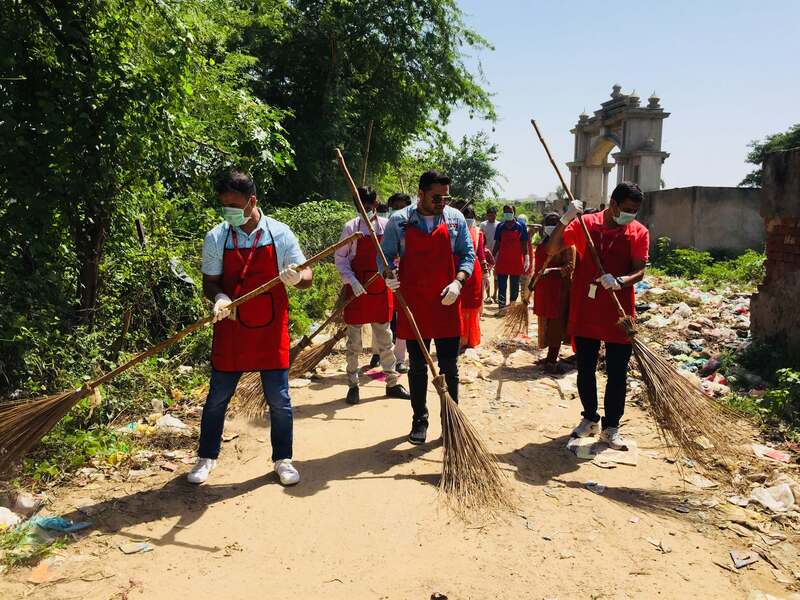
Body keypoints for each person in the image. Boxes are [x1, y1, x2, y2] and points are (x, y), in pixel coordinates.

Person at [190, 169, 311, 486]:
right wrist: (218, 297)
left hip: (271, 327)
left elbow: (307, 276)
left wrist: (297, 277)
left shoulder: (279, 234)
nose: (227, 210)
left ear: (252, 201)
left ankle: (283, 459)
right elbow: (210, 281)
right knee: (217, 397)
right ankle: (206, 457)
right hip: (231, 326)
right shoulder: (217, 236)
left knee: (280, 400)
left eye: (233, 204)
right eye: (223, 204)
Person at [546, 182, 649, 450]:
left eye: (635, 211)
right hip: (587, 308)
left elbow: (640, 270)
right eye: (627, 209)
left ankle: (611, 427)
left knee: (617, 373)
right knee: (586, 368)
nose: (631, 215)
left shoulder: (638, 232)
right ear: (613, 204)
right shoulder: (585, 224)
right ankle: (590, 418)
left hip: (619, 311)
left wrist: (621, 280)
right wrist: (566, 219)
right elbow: (552, 248)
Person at [381, 170, 475, 444]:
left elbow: (467, 255)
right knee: (418, 366)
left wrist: (458, 282)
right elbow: (385, 256)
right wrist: (388, 276)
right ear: (420, 193)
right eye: (436, 197)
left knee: (449, 366)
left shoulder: (455, 219)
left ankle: (451, 421)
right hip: (414, 303)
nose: (441, 202)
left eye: (445, 197)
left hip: (447, 301)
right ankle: (419, 420)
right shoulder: (400, 222)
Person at [334, 187, 411, 405]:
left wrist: (391, 274)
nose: (364, 211)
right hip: (357, 290)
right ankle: (353, 385)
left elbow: (395, 256)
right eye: (360, 208)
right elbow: (340, 259)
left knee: (385, 339)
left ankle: (392, 382)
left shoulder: (387, 227)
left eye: (367, 208)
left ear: (375, 205)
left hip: (380, 289)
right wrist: (352, 280)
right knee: (354, 343)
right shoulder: (351, 227)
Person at [532, 213, 576, 373]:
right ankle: (549, 355)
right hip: (544, 290)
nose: (551, 226)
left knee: (556, 324)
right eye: (548, 223)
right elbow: (537, 267)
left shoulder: (567, 244)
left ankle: (552, 358)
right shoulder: (543, 242)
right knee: (545, 322)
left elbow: (570, 266)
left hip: (560, 290)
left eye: (554, 223)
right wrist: (532, 284)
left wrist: (552, 271)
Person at [386, 192, 413, 370]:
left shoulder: (412, 226)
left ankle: (400, 359)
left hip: (407, 279)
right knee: (384, 320)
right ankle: (379, 355)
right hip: (386, 278)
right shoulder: (382, 225)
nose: (397, 211)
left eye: (401, 208)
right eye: (394, 207)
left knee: (404, 318)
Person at [459, 206, 487, 350]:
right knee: (461, 305)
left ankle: (471, 339)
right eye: (466, 216)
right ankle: (461, 339)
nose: (468, 219)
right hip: (459, 270)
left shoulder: (478, 233)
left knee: (472, 305)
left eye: (471, 216)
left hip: (474, 271)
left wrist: (485, 273)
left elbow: (481, 254)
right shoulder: (457, 231)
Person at [493, 205, 530, 310]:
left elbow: (524, 243)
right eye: (506, 212)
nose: (508, 213)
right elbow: (497, 243)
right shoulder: (500, 226)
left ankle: (512, 306)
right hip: (503, 260)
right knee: (502, 284)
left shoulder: (521, 226)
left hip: (516, 260)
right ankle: (502, 307)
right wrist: (492, 256)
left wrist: (526, 257)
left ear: (514, 212)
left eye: (510, 211)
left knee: (514, 285)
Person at [480, 206, 499, 304]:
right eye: (489, 215)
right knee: (485, 276)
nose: (491, 217)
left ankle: (495, 295)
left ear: (496, 215)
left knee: (496, 276)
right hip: (485, 254)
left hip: (497, 254)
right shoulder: (483, 225)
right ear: (487, 215)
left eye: (493, 215)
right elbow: (481, 239)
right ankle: (487, 296)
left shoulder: (499, 225)